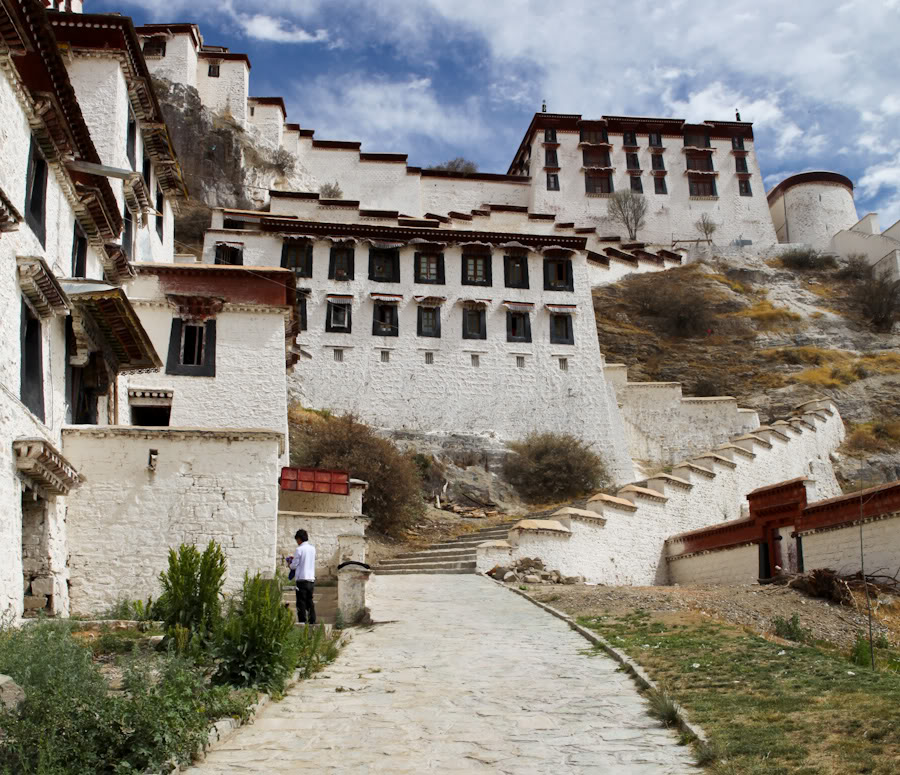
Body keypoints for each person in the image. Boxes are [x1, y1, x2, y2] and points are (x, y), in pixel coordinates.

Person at [288, 529, 316, 625]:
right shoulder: (312, 549)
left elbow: (294, 565)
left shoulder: (299, 549)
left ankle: (302, 621)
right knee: (310, 601)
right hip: (311, 579)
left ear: (299, 539)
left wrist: (289, 564)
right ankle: (312, 620)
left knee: (301, 602)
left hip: (301, 579)